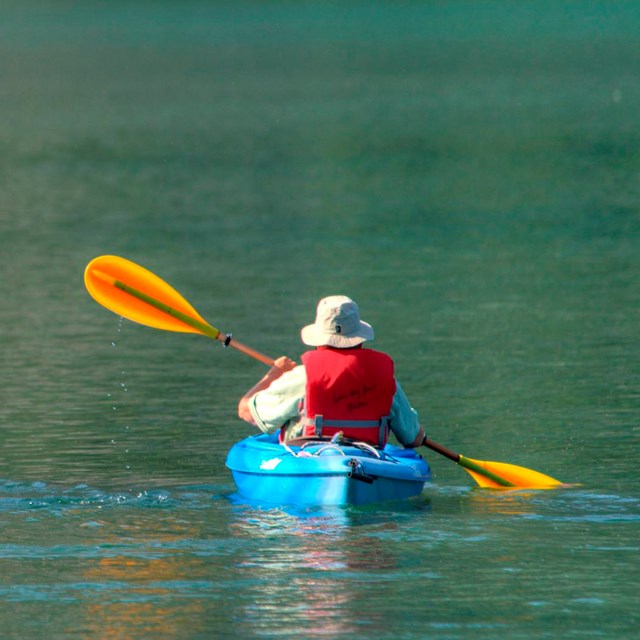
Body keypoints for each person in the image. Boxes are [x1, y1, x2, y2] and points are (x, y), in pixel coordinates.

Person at [238, 295, 425, 448]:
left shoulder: (303, 376)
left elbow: (246, 411)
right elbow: (413, 438)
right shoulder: (384, 378)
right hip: (368, 458)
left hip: (307, 459)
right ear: (359, 338)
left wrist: (273, 375)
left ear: (318, 339)